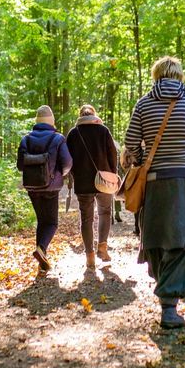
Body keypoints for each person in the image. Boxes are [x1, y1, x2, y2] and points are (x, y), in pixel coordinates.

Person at [123, 56, 185, 329]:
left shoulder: (143, 104)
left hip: (154, 181)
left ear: (156, 76)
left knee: (158, 237)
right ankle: (169, 305)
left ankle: (167, 299)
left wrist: (141, 160)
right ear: (179, 76)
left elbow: (130, 142)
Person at [17, 105, 72, 274]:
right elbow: (67, 163)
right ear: (52, 121)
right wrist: (58, 175)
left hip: (32, 188)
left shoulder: (26, 139)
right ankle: (41, 249)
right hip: (50, 188)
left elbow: (20, 166)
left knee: (42, 221)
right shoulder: (57, 139)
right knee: (52, 223)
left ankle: (42, 263)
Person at [66, 104, 119, 268]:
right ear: (94, 115)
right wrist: (113, 174)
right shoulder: (103, 131)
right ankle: (102, 246)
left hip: (83, 183)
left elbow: (68, 160)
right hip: (104, 180)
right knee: (105, 212)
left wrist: (74, 176)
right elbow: (113, 154)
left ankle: (89, 256)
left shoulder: (74, 134)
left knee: (86, 218)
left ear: (80, 115)